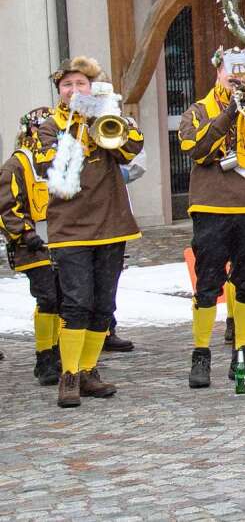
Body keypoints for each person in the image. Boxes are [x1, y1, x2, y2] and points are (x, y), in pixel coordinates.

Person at [36, 56, 144, 407]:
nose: (74, 90)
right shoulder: (49, 125)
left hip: (111, 224)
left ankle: (88, 370)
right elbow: (48, 164)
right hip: (71, 228)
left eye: (80, 84)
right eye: (67, 85)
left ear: (91, 87)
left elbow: (133, 148)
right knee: (76, 303)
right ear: (60, 92)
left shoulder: (106, 115)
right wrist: (77, 128)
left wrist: (103, 115)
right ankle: (68, 375)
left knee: (102, 304)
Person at [178, 46, 245, 388]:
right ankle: (201, 354)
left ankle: (243, 353)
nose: (236, 77)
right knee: (209, 282)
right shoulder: (197, 111)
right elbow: (196, 149)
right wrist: (229, 111)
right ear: (218, 73)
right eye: (230, 71)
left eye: (243, 72)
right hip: (212, 205)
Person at [0, 106, 61, 385]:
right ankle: (44, 355)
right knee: (47, 297)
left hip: (61, 239)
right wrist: (25, 234)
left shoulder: (55, 159)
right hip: (32, 244)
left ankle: (59, 351)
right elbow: (5, 206)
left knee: (64, 298)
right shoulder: (16, 165)